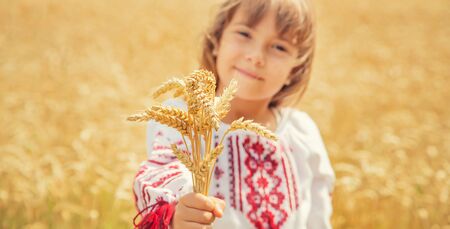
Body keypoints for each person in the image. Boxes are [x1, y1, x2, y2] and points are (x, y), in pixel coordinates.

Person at [132, 0, 335, 228]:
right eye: (244, 33)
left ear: (295, 69)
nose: (256, 56)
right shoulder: (183, 121)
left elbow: (318, 215)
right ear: (217, 40)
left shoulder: (303, 132)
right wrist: (176, 218)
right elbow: (159, 188)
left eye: (279, 47)